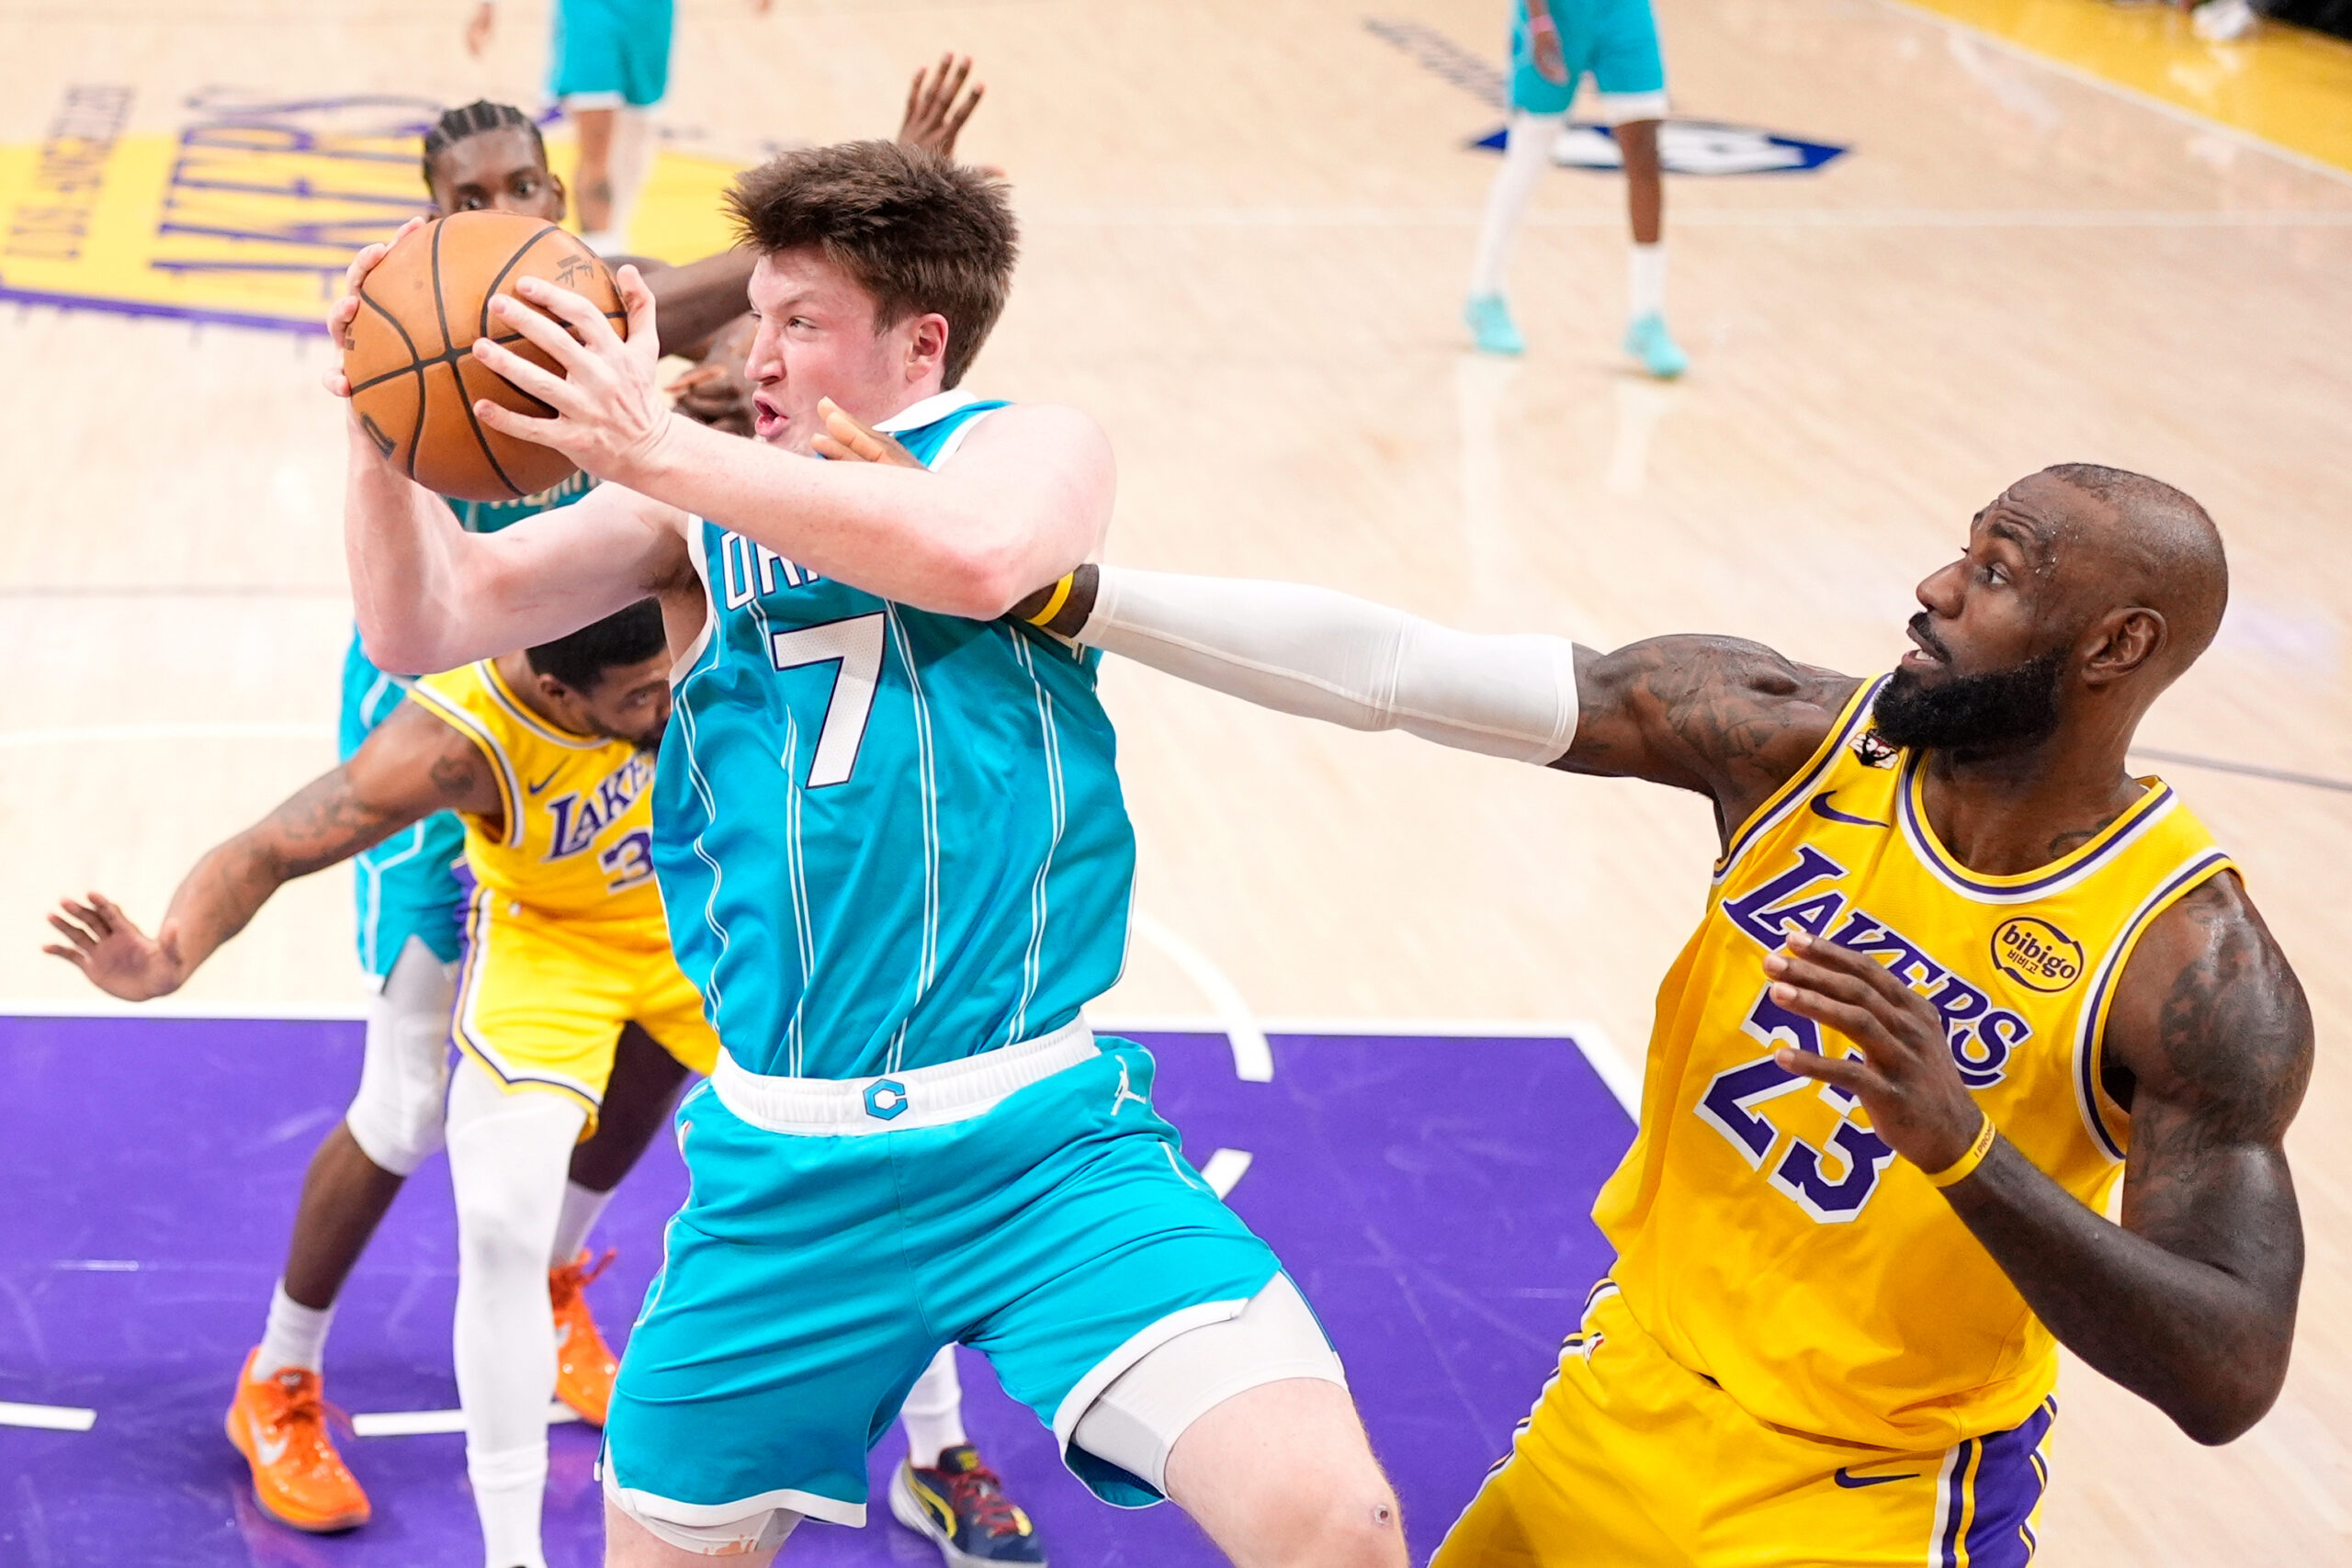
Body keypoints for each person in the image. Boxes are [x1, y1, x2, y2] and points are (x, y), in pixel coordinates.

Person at [330, 141, 1408, 1567]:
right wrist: (377, 428)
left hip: (1040, 1141)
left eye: (801, 322)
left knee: (1338, 1521)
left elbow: (977, 556)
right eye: (758, 312)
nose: (756, 352)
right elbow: (430, 620)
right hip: (785, 1164)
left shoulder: (1026, 443)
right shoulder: (691, 508)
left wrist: (652, 437)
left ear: (923, 342)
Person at [972, 463, 2310, 1566]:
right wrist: (1068, 594)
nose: (1936, 586)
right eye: (1963, 549)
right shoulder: (1799, 741)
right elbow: (1401, 667)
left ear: (2118, 645)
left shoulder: (2191, 965)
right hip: (1623, 1393)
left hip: (1868, 1494)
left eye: (2000, 572)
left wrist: (1964, 1143)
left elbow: (2227, 1365)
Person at [43, 606, 711, 1557]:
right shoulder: (446, 726)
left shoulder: (636, 592)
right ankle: (279, 1375)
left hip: (596, 780)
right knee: (405, 1113)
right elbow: (269, 846)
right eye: (651, 693)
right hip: (472, 768)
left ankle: (552, 1286)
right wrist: (171, 955)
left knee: (655, 1035)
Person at [1464, 0, 1686, 377]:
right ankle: (1484, 295)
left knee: (1646, 151)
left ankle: (1647, 318)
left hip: (1624, 12)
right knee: (1531, 151)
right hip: (1557, 14)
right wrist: (1538, 20)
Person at [464, 0, 771, 254]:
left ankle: (613, 240)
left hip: (650, 14)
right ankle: (600, 255)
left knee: (633, 148)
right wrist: (486, 7)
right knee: (597, 152)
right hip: (589, 12)